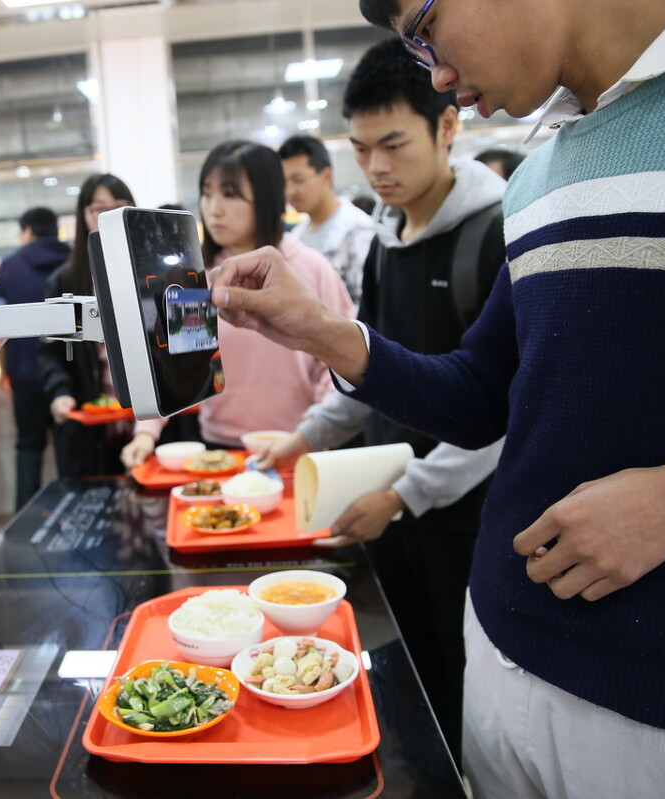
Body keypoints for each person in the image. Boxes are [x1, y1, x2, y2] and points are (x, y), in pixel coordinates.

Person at [210, 0, 665, 795]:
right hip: (503, 654)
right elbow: (484, 391)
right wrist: (326, 333)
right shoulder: (539, 174)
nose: (434, 71)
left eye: (426, 25)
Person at [256, 39, 507, 763]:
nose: (377, 168)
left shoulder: (494, 235)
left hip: (468, 521)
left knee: (464, 695)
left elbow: (504, 408)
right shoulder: (381, 241)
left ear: (448, 126)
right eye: (363, 150)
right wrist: (301, 437)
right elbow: (365, 364)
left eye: (393, 144)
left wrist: (407, 495)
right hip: (386, 504)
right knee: (402, 684)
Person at [120, 140, 355, 466]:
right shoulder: (194, 276)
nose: (213, 208)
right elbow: (177, 362)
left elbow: (337, 363)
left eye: (230, 194)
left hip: (296, 445)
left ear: (267, 198)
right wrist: (147, 430)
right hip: (218, 448)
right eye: (207, 192)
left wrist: (312, 434)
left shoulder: (310, 268)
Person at [39, 174, 136, 478]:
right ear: (83, 216)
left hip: (144, 419)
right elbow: (49, 351)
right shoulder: (66, 280)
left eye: (120, 206)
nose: (108, 216)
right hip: (89, 417)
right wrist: (60, 391)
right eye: (98, 209)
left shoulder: (148, 272)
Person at [0, 207, 70, 509]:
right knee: (70, 452)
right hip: (70, 377)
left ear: (27, 231)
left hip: (25, 375)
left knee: (28, 449)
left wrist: (4, 372)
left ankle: (23, 523)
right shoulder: (76, 260)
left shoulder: (10, 266)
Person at [278, 135, 376, 304]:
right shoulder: (297, 235)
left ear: (326, 176)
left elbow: (366, 306)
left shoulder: (357, 231)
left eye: (298, 180)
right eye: (284, 183)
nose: (290, 191)